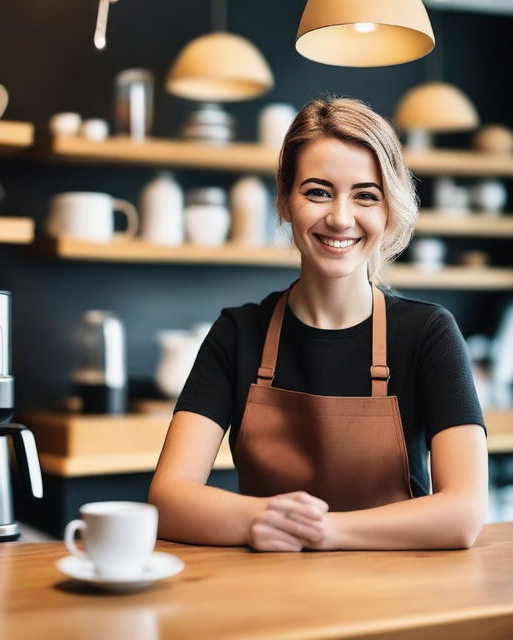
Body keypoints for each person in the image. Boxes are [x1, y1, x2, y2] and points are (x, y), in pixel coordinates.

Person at [149, 96, 488, 552]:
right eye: (317, 191)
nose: (340, 218)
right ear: (286, 201)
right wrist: (257, 521)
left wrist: (322, 531)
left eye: (365, 195)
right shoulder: (238, 333)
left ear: (388, 211)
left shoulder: (428, 334)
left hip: (402, 595)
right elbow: (168, 498)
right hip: (271, 594)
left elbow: (464, 513)